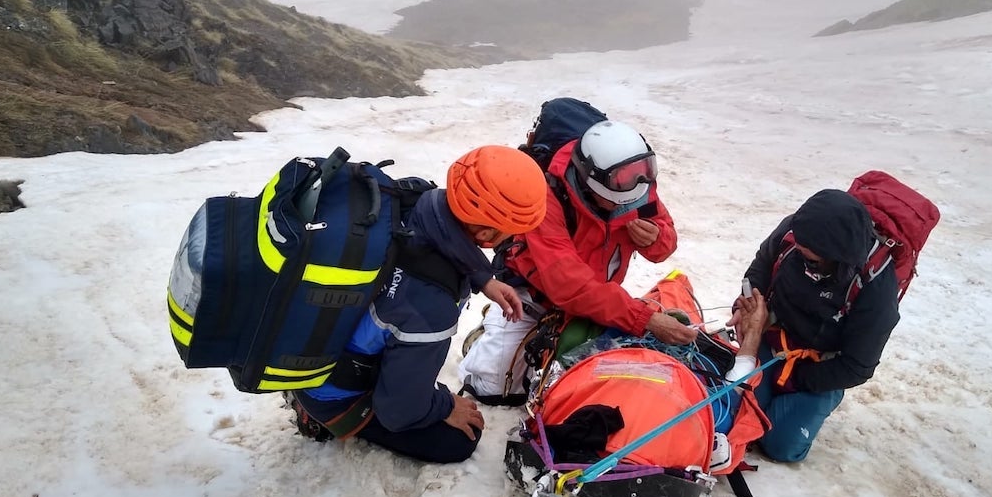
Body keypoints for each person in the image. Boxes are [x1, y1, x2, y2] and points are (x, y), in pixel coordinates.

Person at [287, 145, 549, 463]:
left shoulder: (416, 199)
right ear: (486, 233)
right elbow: (399, 411)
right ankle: (318, 414)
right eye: (510, 235)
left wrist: (483, 278)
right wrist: (445, 404)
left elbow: (442, 234)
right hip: (329, 389)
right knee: (460, 439)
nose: (513, 241)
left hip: (306, 337)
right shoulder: (431, 305)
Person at [457, 119, 696, 403]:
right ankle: (485, 335)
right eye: (620, 192)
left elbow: (663, 247)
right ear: (592, 184)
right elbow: (569, 285)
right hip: (533, 296)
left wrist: (656, 238)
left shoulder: (633, 182)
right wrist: (644, 319)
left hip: (596, 297)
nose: (629, 200)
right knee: (494, 390)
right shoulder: (546, 196)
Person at [728, 188, 900, 463]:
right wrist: (748, 306)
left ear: (835, 255)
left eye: (811, 257)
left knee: (781, 446)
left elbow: (858, 366)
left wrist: (798, 380)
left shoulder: (876, 287)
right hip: (774, 342)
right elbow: (761, 266)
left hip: (821, 367)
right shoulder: (795, 232)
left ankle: (802, 409)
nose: (799, 253)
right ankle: (774, 398)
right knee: (734, 416)